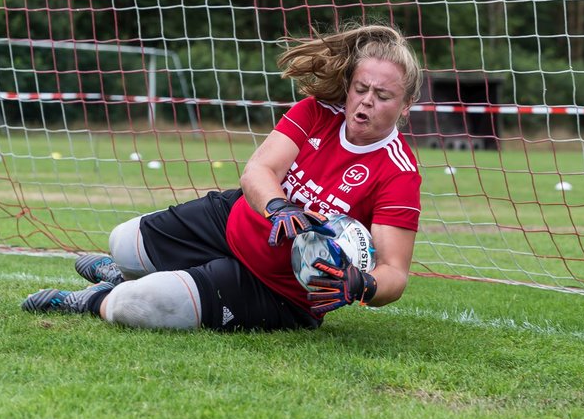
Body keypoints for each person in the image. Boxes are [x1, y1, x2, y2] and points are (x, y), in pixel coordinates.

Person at [21, 23, 423, 332]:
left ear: (405, 106)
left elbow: (394, 271)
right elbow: (259, 170)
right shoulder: (317, 111)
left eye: (383, 96)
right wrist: (278, 206)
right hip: (232, 222)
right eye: (360, 88)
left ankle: (90, 300)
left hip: (276, 290)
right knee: (122, 242)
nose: (366, 101)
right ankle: (117, 270)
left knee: (133, 305)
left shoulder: (398, 173)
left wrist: (362, 285)